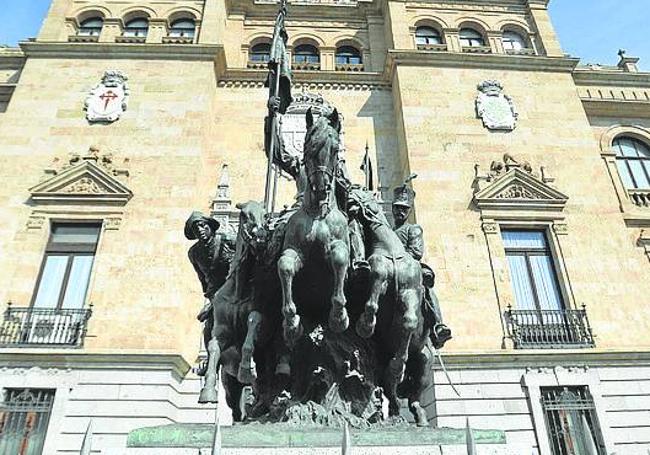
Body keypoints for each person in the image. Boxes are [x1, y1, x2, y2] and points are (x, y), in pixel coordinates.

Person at [392, 177, 452, 349]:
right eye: (397, 208)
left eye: (404, 209)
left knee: (426, 289)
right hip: (393, 266)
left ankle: (438, 325)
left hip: (410, 265)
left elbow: (416, 252)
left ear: (409, 211)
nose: (400, 212)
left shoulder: (414, 229)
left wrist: (398, 259)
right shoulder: (389, 231)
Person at [185, 212, 236, 371]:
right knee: (209, 327)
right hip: (215, 292)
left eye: (202, 225)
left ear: (210, 226)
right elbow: (202, 278)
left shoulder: (226, 240)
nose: (199, 230)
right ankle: (210, 361)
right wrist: (210, 298)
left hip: (235, 283)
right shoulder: (194, 253)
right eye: (195, 228)